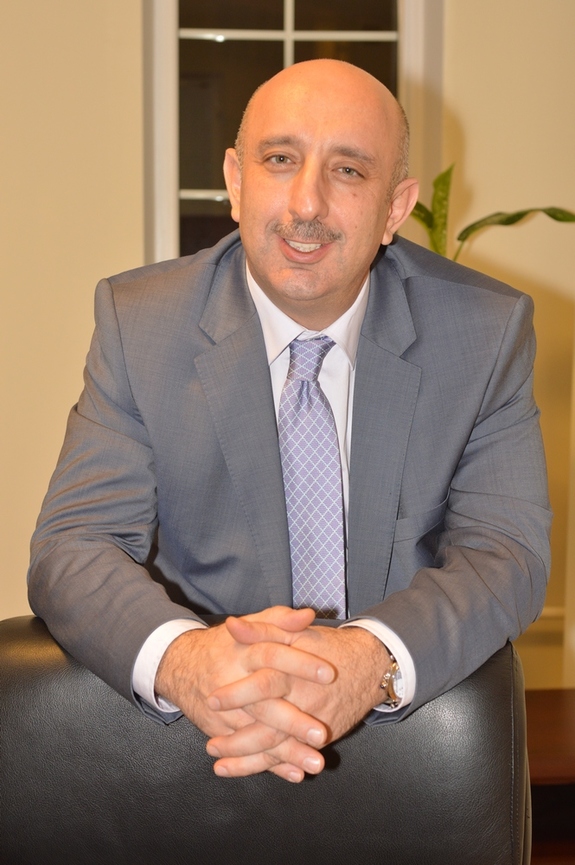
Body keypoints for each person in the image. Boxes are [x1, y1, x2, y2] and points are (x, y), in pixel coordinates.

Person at [28, 59, 551, 784]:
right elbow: (74, 543)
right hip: (196, 748)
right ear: (235, 181)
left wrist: (366, 660)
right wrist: (187, 662)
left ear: (396, 208)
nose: (306, 203)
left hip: (408, 751)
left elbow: (506, 552)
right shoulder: (140, 324)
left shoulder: (484, 333)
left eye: (348, 171)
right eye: (279, 160)